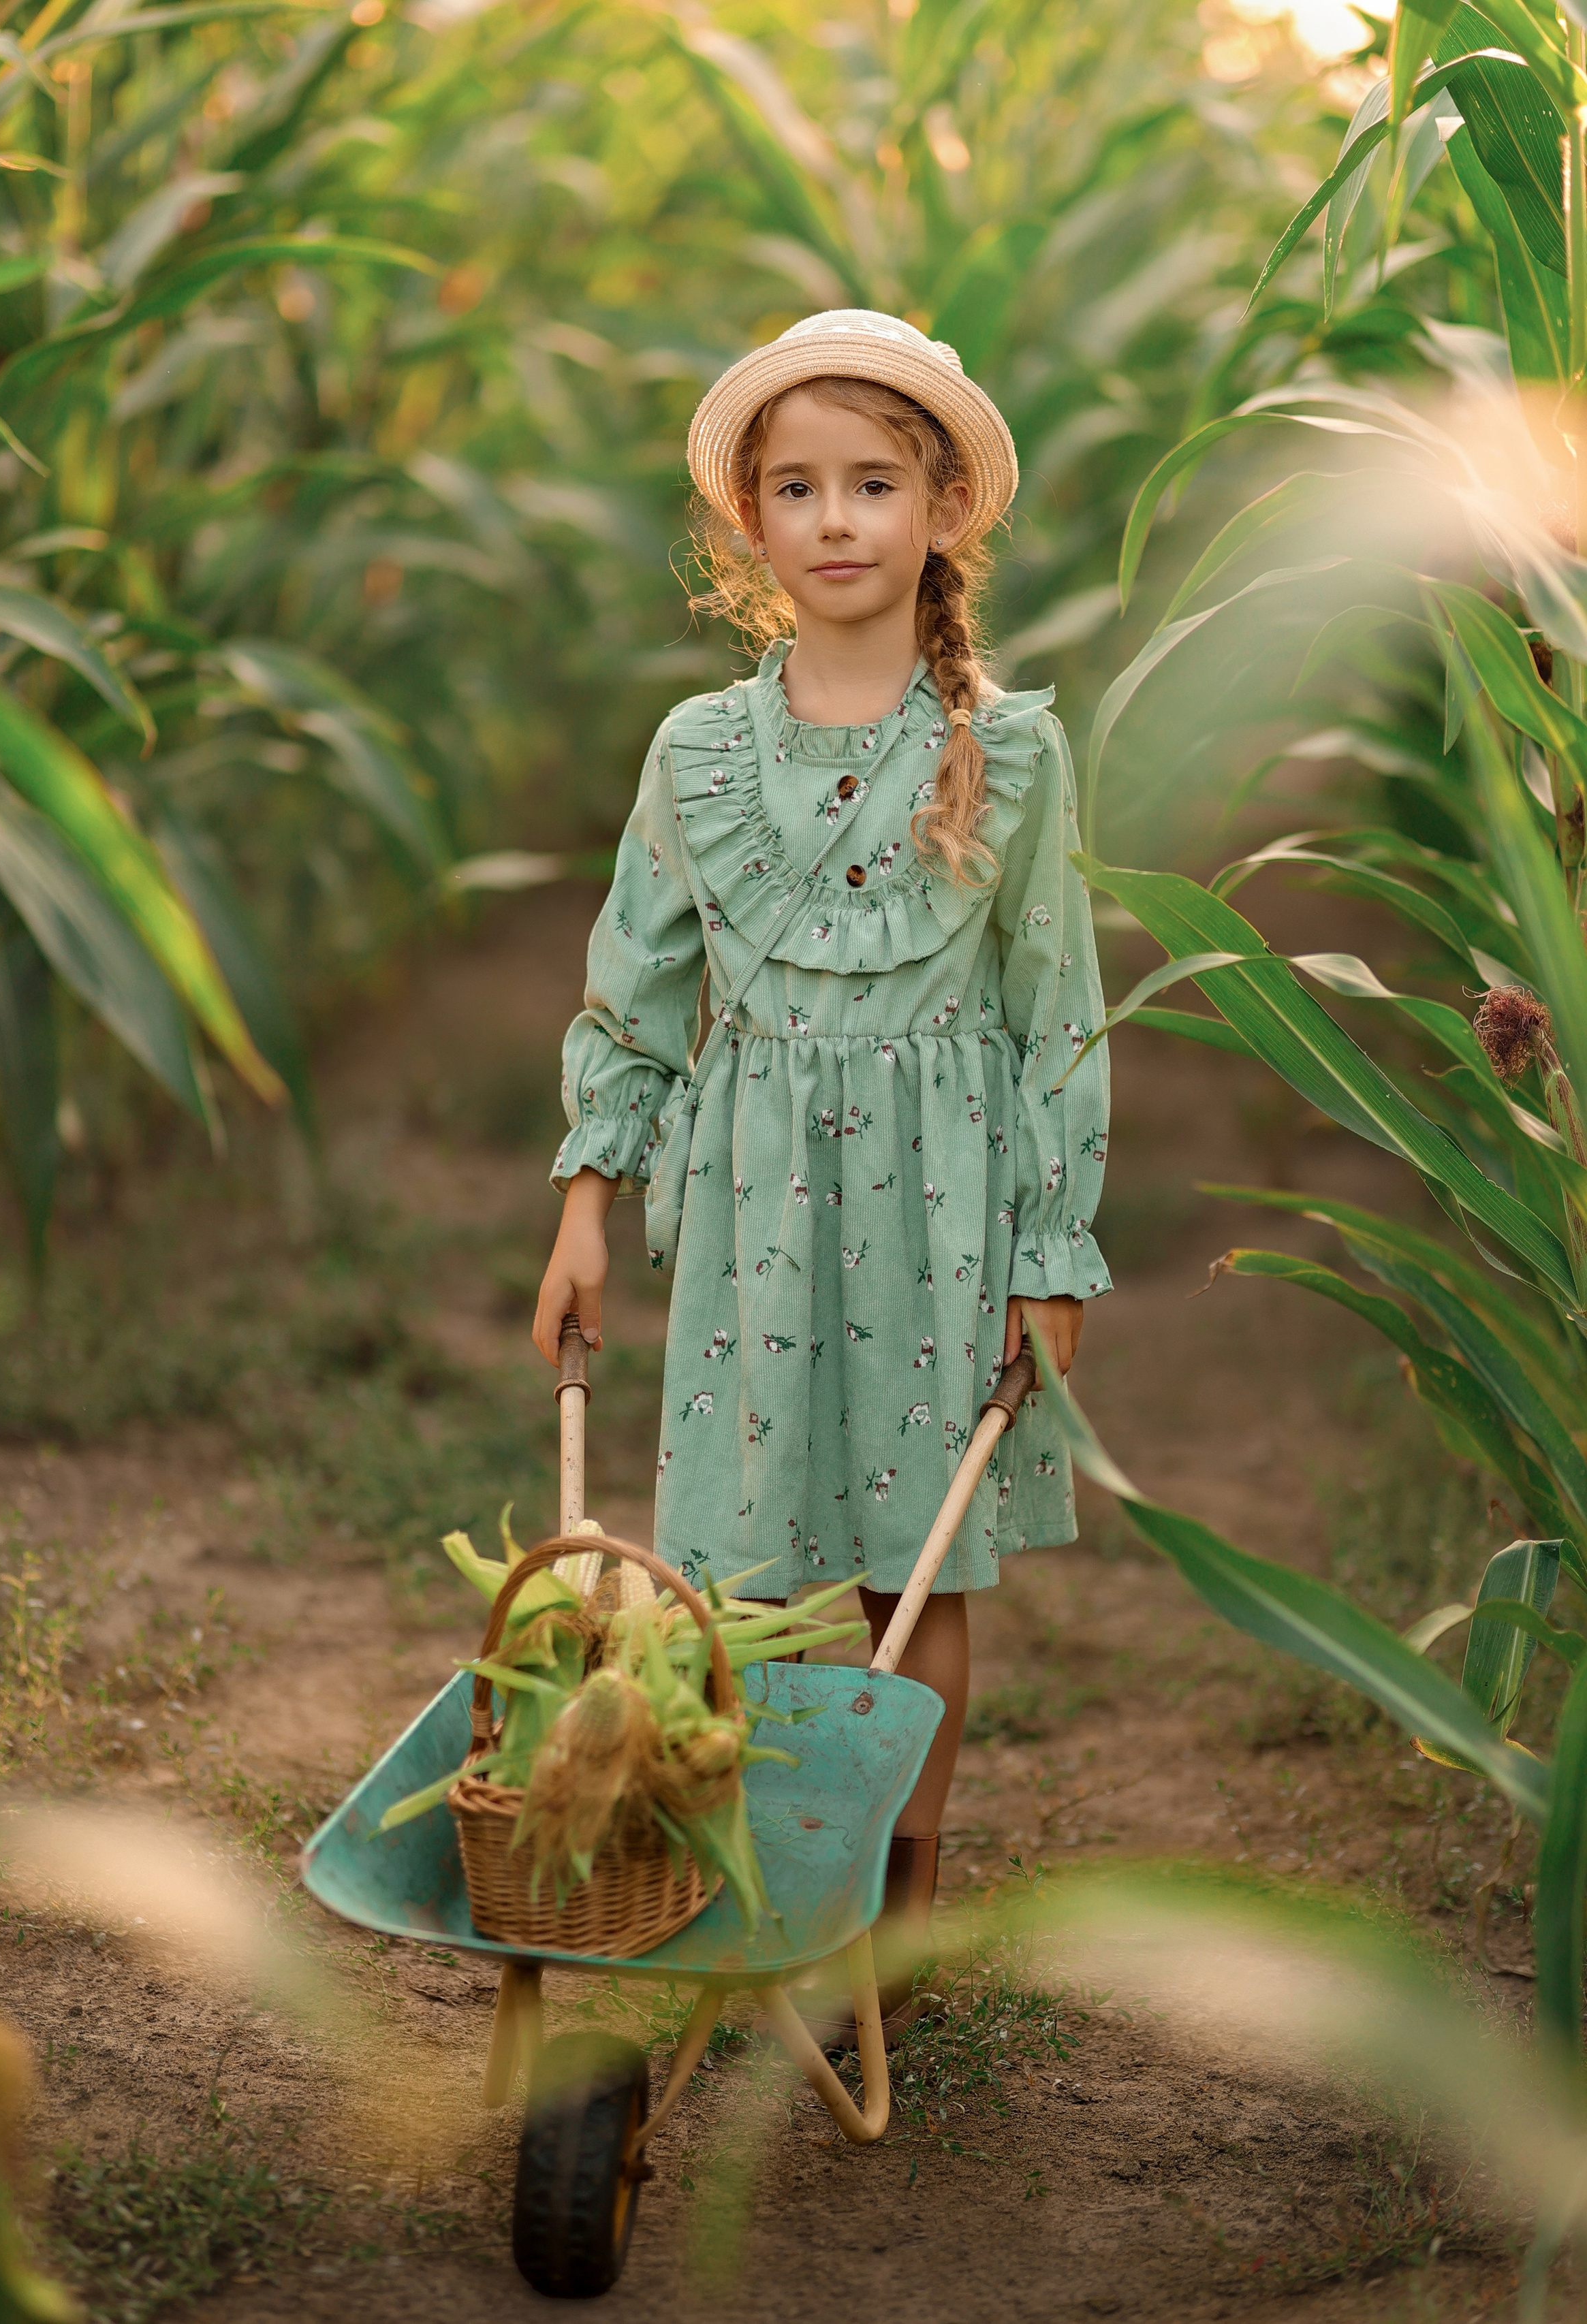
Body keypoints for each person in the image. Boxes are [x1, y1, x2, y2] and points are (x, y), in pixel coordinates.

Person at [532, 309, 1111, 2037]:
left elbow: (1051, 1007)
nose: (838, 518)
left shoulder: (1007, 753)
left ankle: (889, 1914)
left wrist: (1050, 1248)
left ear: (940, 511)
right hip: (751, 1204)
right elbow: (631, 981)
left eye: (876, 482)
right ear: (749, 527)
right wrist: (584, 1203)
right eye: (799, 487)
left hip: (940, 1205)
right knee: (757, 1567)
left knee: (907, 1565)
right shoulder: (697, 754)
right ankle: (763, 1873)